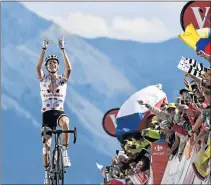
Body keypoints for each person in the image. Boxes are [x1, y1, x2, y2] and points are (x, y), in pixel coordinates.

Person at [36, 37, 72, 184]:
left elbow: (69, 68)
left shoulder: (62, 80)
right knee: (46, 146)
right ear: (47, 67)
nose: (52, 65)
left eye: (54, 63)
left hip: (58, 111)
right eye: (49, 63)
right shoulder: (43, 79)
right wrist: (43, 49)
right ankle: (46, 173)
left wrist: (63, 49)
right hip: (46, 115)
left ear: (57, 66)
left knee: (66, 123)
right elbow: (37, 68)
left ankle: (64, 152)